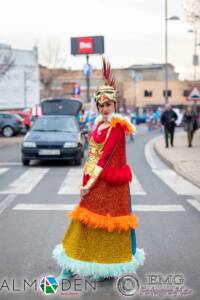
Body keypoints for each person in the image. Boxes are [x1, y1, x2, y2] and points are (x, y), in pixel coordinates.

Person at [52, 58, 145, 281]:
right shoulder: (98, 125)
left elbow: (103, 159)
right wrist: (86, 181)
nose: (104, 109)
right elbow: (91, 156)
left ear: (115, 105)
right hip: (96, 184)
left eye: (108, 105)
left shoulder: (117, 128)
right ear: (97, 106)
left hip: (110, 187)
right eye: (101, 105)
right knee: (85, 223)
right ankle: (73, 265)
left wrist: (88, 185)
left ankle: (103, 268)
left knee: (108, 226)